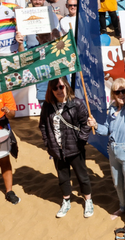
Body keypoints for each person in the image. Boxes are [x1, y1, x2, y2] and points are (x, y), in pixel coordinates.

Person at [89, 57, 125, 227]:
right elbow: (106, 130)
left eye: (124, 91)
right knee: (117, 184)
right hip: (113, 150)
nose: (122, 94)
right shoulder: (112, 109)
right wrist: (96, 125)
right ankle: (124, 207)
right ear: (113, 94)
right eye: (117, 92)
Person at [39, 77, 93, 218]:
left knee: (82, 176)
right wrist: (48, 143)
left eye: (61, 87)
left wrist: (80, 141)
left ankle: (88, 201)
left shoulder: (76, 104)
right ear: (51, 90)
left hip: (75, 148)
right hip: (57, 149)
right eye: (55, 88)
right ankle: (66, 201)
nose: (58, 90)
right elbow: (43, 125)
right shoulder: (47, 106)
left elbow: (86, 124)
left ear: (67, 86)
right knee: (63, 177)